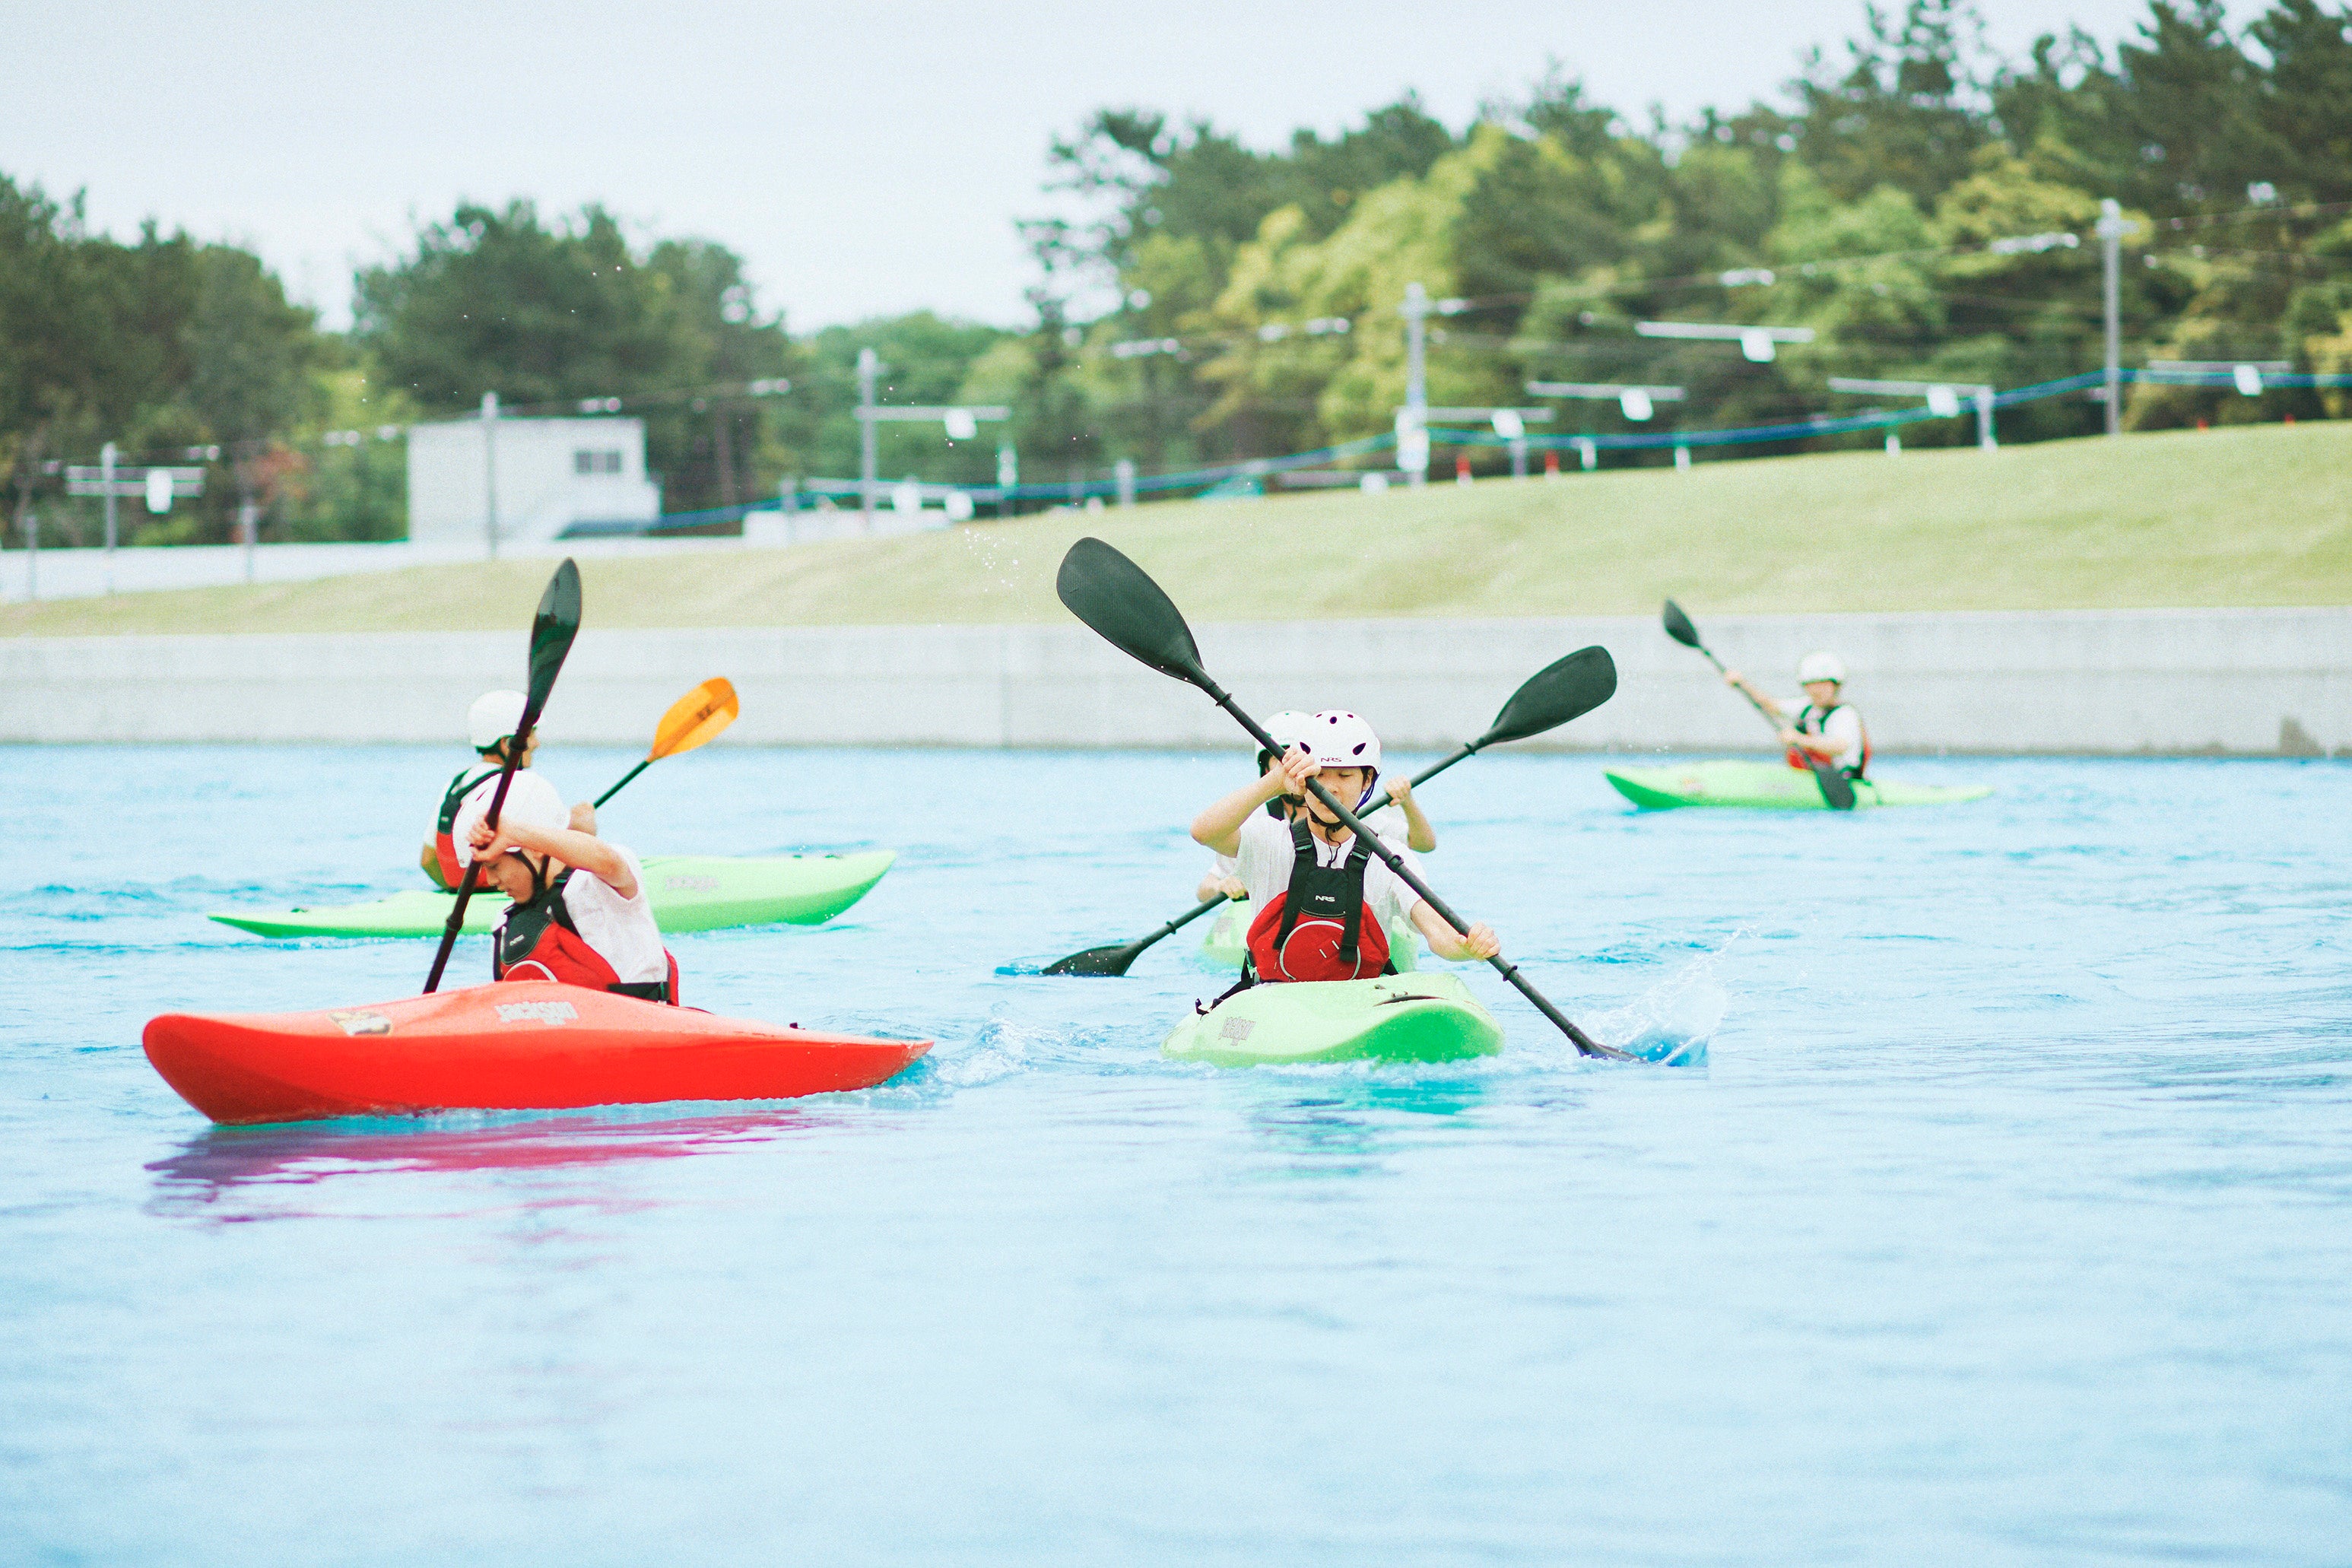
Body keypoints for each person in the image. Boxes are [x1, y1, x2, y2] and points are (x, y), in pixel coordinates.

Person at [1190, 709, 1497, 983]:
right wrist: (1276, 781)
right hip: (1274, 998)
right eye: (1319, 775)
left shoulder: (1390, 856)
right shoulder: (1269, 840)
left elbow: (1438, 932)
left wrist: (1468, 948)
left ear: (1367, 781)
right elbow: (1203, 832)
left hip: (1360, 999)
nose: (1331, 786)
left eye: (1345, 775)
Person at [455, 770, 678, 1003]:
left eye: (495, 866)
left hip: (645, 1025)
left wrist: (516, 833)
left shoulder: (600, 881)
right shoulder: (504, 923)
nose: (491, 881)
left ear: (534, 848)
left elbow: (606, 860)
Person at [1193, 709, 1436, 904]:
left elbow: (1424, 844)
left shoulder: (1364, 823)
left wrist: (1407, 802)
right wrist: (1221, 886)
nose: (1291, 770)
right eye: (1279, 764)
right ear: (1265, 770)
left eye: (1343, 776)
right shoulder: (1260, 825)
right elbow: (1206, 857)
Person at [421, 690, 594, 888]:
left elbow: (428, 860)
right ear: (508, 744)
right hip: (511, 892)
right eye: (532, 734)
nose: (536, 744)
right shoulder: (526, 783)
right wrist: (584, 826)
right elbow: (572, 856)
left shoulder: (455, 784)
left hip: (461, 892)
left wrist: (462, 892)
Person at [1722, 651, 1871, 779]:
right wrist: (1742, 684)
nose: (1816, 690)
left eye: (1823, 684)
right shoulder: (1807, 707)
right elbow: (1770, 705)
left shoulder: (1845, 714)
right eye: (1811, 684)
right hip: (1813, 776)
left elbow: (1839, 746)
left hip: (1843, 780)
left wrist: (1799, 739)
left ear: (1836, 685)